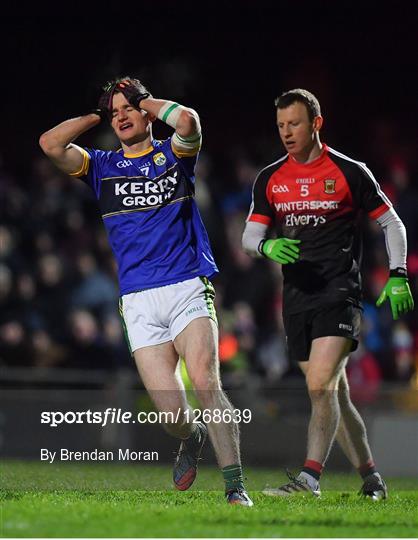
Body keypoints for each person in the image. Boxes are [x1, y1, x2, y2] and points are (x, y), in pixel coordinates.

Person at [39, 76, 252, 506]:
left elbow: (188, 122)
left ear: (146, 112)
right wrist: (97, 114)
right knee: (173, 416)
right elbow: (49, 144)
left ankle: (234, 487)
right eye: (113, 112)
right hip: (138, 299)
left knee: (207, 381)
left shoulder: (173, 156)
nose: (120, 116)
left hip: (187, 284)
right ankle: (191, 438)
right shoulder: (100, 166)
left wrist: (144, 100)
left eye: (127, 109)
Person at [242, 88, 414, 499]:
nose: (286, 132)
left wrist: (398, 273)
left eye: (295, 123)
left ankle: (308, 480)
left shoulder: (350, 171)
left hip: (340, 292)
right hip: (297, 297)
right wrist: (267, 247)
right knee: (332, 392)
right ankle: (372, 478)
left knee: (320, 385)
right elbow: (250, 235)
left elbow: (393, 224)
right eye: (281, 125)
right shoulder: (270, 178)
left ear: (316, 123)